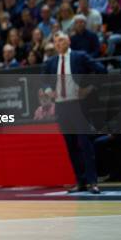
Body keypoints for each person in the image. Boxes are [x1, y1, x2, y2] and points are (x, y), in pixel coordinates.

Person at [43, 32, 106, 194]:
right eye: (56, 41)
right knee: (71, 147)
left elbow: (101, 70)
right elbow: (42, 81)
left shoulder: (80, 56)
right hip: (62, 107)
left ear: (69, 41)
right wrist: (49, 90)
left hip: (79, 105)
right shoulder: (51, 62)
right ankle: (80, 181)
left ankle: (93, 182)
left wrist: (90, 88)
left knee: (85, 144)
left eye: (62, 40)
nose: (59, 44)